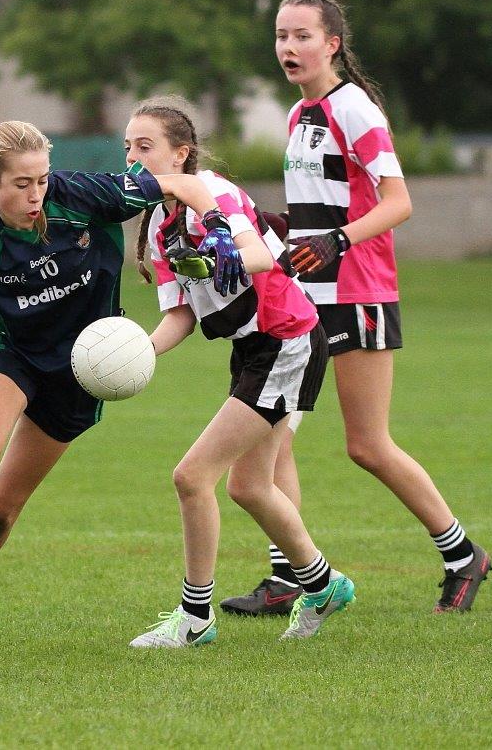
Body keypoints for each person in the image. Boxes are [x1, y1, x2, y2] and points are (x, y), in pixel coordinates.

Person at [0, 120, 240, 658]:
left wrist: (220, 226)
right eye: (22, 184)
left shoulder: (82, 194)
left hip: (81, 371)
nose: (37, 194)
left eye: (41, 179)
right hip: (13, 353)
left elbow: (185, 185)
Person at [219, 0, 489, 617]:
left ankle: (462, 555)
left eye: (302, 36)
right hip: (306, 295)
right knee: (276, 437)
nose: (289, 47)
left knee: (366, 444)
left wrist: (336, 240)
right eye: (282, 36)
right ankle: (288, 576)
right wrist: (273, 226)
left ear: (332, 43)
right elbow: (320, 208)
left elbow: (398, 203)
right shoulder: (297, 115)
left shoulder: (355, 110)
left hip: (359, 291)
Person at [123, 97, 353, 648]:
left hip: (286, 340)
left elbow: (260, 254)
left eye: (144, 147)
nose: (132, 160)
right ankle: (325, 586)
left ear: (181, 155)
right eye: (126, 148)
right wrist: (142, 353)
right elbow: (180, 311)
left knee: (192, 475)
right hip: (252, 350)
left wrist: (227, 249)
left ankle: (195, 619)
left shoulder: (214, 193)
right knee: (250, 487)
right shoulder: (158, 223)